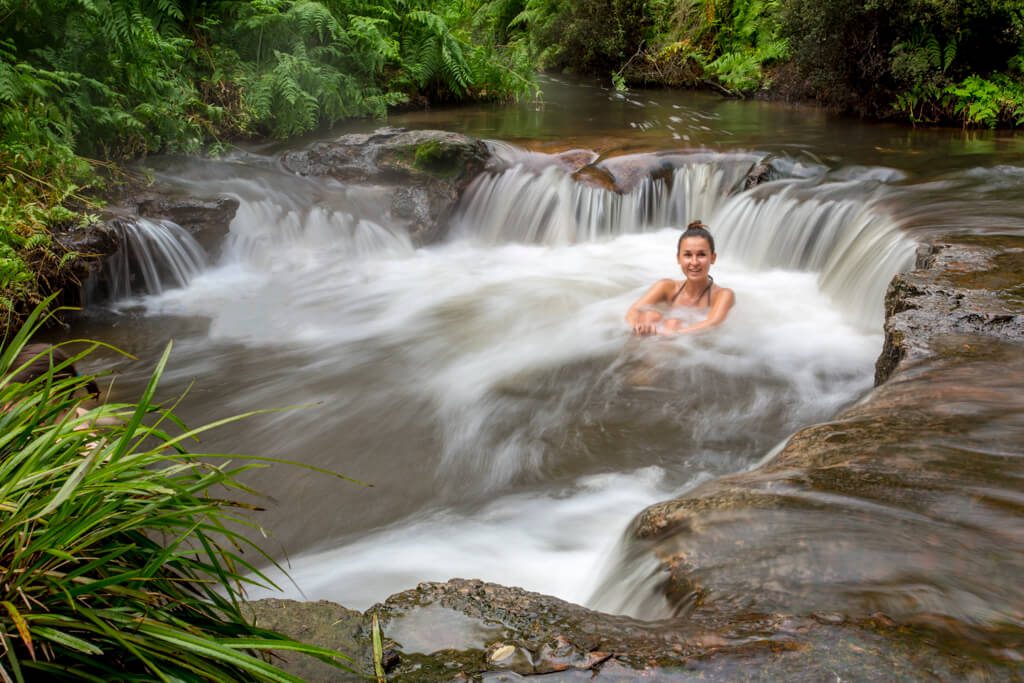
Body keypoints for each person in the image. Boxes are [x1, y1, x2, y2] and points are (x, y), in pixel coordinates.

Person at [625, 220, 735, 336]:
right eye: (687, 255)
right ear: (678, 258)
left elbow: (712, 323)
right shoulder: (667, 287)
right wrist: (637, 326)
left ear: (712, 258)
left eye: (701, 255)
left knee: (673, 323)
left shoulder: (723, 295)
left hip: (696, 344)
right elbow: (633, 311)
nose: (694, 262)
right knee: (649, 316)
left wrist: (671, 333)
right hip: (664, 339)